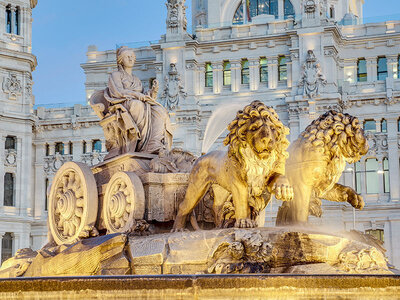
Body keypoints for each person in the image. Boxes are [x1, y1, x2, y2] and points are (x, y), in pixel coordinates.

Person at [104, 46, 172, 154]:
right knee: (137, 105)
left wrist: (152, 91)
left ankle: (153, 143)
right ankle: (141, 144)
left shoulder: (136, 79)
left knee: (160, 110)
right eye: (127, 57)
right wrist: (136, 95)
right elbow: (118, 92)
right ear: (121, 60)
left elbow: (144, 95)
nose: (131, 59)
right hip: (123, 104)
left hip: (139, 103)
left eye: (132, 57)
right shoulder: (115, 75)